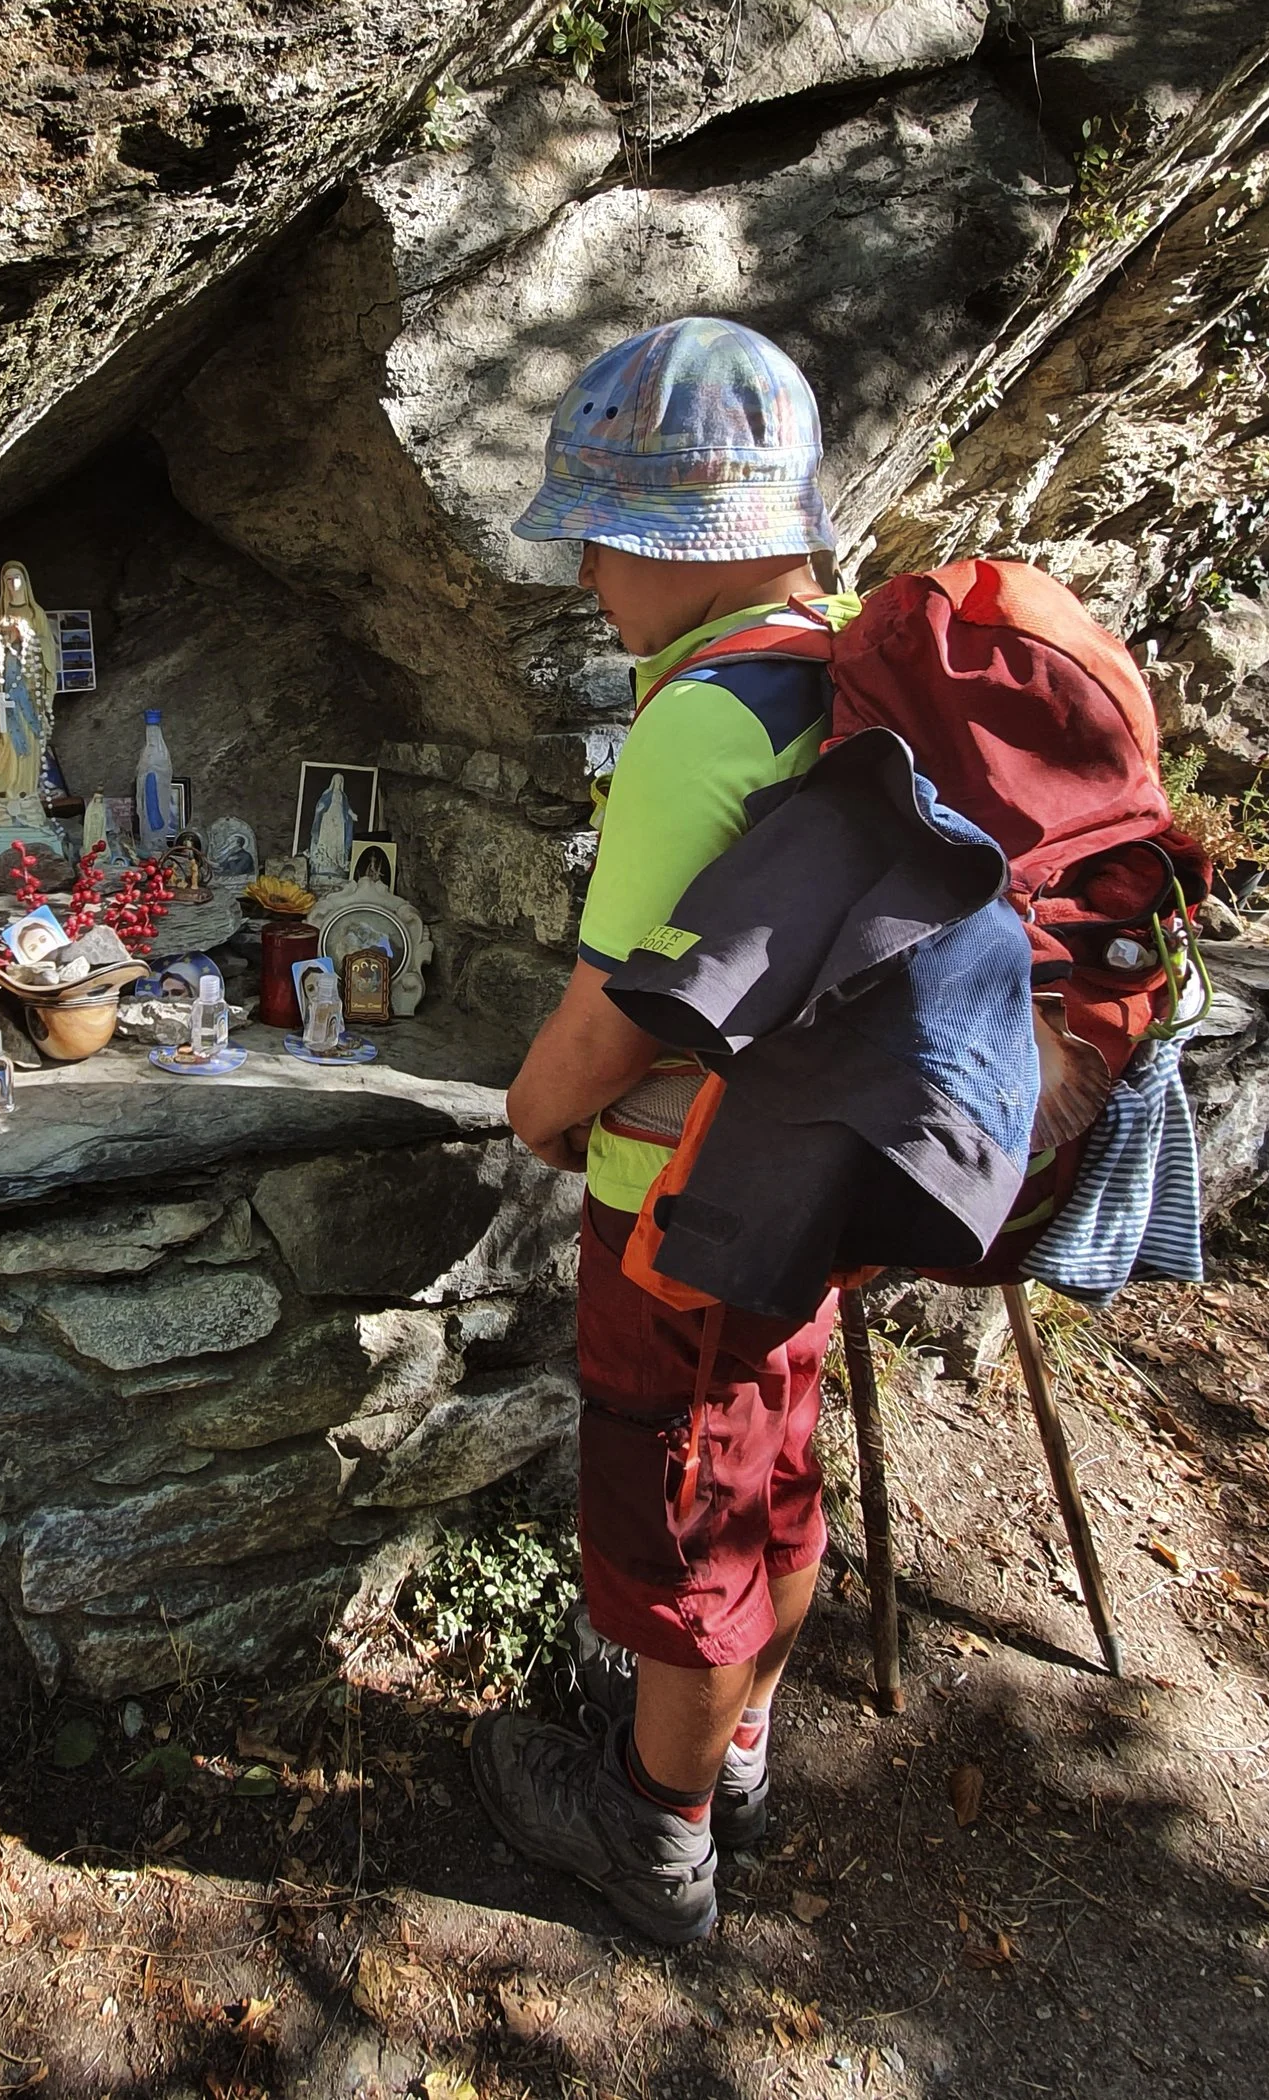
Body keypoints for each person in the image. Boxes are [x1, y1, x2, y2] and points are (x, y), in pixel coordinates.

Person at [473, 315, 852, 1947]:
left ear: (688, 544)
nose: (585, 583)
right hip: (810, 1183)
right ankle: (740, 1758)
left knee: (682, 1516)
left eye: (604, 542)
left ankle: (653, 1833)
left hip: (680, 1206)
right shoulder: (834, 663)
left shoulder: (704, 719)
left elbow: (617, 1008)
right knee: (771, 1483)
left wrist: (535, 1120)